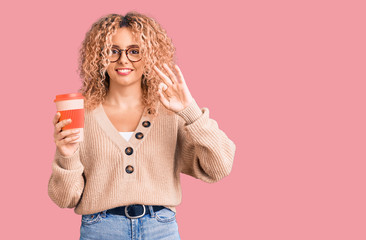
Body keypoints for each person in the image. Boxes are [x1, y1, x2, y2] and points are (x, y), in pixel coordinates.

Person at [48, 11, 236, 240]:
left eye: (134, 51)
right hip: (100, 230)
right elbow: (65, 199)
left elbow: (219, 167)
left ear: (150, 56)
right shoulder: (80, 113)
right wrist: (66, 155)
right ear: (99, 56)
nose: (124, 60)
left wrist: (191, 111)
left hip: (161, 229)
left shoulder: (171, 111)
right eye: (113, 51)